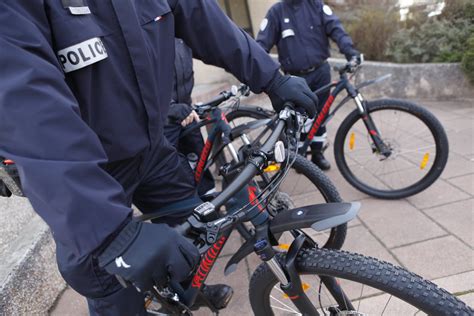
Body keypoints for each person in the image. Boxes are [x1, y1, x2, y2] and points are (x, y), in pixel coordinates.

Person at [0, 1, 318, 315]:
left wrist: (271, 78)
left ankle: (183, 291)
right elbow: (28, 104)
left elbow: (202, 17)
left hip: (152, 148)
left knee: (195, 232)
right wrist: (105, 230)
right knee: (111, 284)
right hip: (90, 169)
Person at [256, 0, 361, 170]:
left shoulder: (317, 6)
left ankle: (317, 154)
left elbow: (336, 29)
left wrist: (351, 53)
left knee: (320, 116)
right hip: (295, 78)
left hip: (320, 71)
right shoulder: (276, 12)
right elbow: (261, 44)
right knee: (297, 119)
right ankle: (300, 158)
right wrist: (255, 69)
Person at [164, 38, 215, 197]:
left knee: (200, 164)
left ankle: (210, 206)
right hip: (164, 119)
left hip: (188, 112)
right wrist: (169, 106)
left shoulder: (181, 34)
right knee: (175, 174)